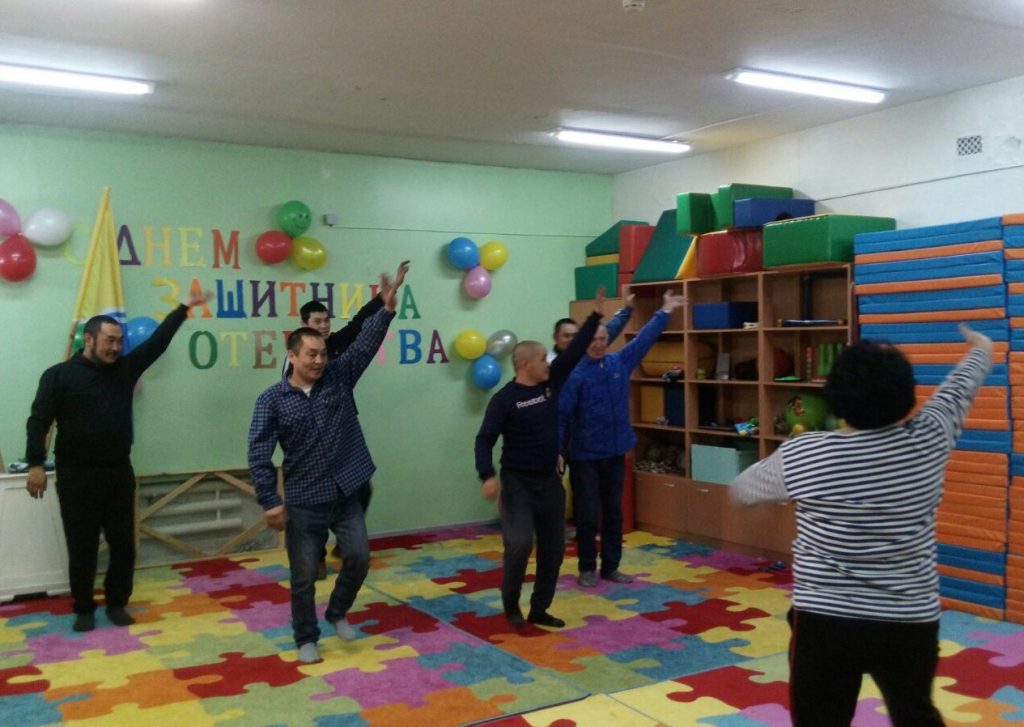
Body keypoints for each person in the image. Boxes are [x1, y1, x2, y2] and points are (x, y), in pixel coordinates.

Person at [730, 324, 992, 727]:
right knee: (916, 714)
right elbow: (958, 390)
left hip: (824, 620)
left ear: (835, 397)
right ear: (905, 398)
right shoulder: (929, 439)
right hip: (908, 618)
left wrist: (776, 503)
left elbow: (743, 489)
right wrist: (981, 349)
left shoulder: (803, 453)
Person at [24, 291, 212, 632]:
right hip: (76, 476)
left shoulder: (125, 370)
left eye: (119, 341)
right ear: (89, 339)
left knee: (124, 545)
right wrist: (35, 463)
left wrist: (184, 308)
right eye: (109, 341)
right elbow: (39, 421)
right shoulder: (59, 376)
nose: (116, 347)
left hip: (117, 473)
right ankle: (84, 608)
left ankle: (116, 603)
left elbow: (157, 343)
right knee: (82, 547)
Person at [248, 275, 400, 665]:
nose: (318, 361)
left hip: (346, 492)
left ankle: (337, 611)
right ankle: (306, 637)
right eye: (311, 354)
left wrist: (386, 311)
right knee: (303, 578)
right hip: (303, 500)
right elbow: (259, 453)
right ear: (293, 356)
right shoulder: (272, 400)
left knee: (359, 558)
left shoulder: (339, 376)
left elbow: (364, 344)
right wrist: (269, 499)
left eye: (322, 354)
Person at [475, 288, 608, 629]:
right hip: (517, 484)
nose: (548, 363)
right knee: (519, 544)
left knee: (554, 549)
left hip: (549, 482)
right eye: (542, 360)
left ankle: (539, 609)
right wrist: (487, 475)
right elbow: (484, 440)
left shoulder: (552, 382)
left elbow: (574, 351)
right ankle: (511, 606)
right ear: (524, 365)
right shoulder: (504, 400)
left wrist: (594, 316)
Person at [559, 289, 687, 587]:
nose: (598, 345)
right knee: (587, 516)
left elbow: (644, 340)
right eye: (593, 340)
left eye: (603, 340)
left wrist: (665, 311)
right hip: (584, 457)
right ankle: (587, 568)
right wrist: (558, 450)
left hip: (615, 453)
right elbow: (561, 416)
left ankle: (611, 567)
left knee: (614, 514)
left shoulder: (619, 362)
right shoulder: (574, 375)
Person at [295, 260, 409, 579]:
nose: (323, 326)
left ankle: (346, 544)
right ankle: (316, 557)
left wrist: (384, 300)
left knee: (361, 488)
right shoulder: (297, 358)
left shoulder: (335, 347)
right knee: (317, 500)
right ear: (304, 325)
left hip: (343, 431)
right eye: (317, 321)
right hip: (312, 439)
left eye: (326, 321)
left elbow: (360, 327)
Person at [546, 289, 633, 363]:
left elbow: (611, 330)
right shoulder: (550, 364)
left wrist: (627, 310)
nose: (572, 339)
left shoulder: (585, 348)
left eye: (575, 336)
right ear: (555, 338)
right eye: (566, 336)